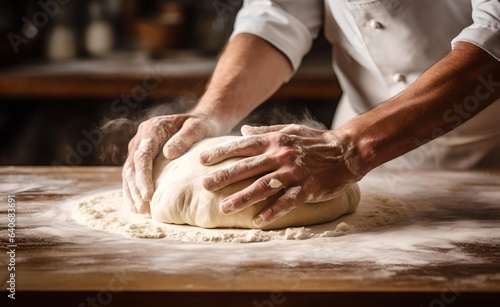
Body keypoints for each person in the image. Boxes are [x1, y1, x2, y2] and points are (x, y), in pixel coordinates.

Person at [123, 0, 500, 228]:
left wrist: (350, 148)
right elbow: (276, 16)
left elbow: (494, 37)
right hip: (335, 154)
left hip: (488, 145)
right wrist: (209, 114)